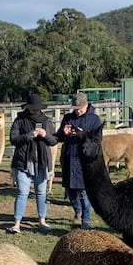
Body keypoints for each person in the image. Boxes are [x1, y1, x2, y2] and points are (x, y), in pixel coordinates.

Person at [8, 93, 57, 233]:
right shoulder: (20, 120)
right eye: (32, 108)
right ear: (27, 107)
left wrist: (45, 135)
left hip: (41, 162)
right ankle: (17, 223)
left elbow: (53, 141)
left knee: (41, 192)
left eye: (37, 108)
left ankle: (42, 221)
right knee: (22, 192)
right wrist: (29, 135)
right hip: (23, 162)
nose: (35, 111)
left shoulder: (46, 121)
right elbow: (13, 139)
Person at [56, 92, 102, 227]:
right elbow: (59, 138)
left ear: (86, 105)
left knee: (83, 191)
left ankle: (86, 220)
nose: (77, 111)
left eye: (80, 108)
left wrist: (83, 134)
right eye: (75, 109)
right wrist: (63, 133)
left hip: (84, 160)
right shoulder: (68, 118)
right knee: (70, 190)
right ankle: (78, 211)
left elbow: (98, 140)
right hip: (69, 157)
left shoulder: (95, 120)